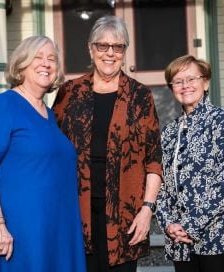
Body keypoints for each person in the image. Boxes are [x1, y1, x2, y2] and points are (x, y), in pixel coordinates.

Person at [52, 16, 162, 272]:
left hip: (125, 214)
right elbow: (52, 147)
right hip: (76, 211)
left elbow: (154, 160)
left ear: (125, 52)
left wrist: (147, 209)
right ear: (91, 49)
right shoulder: (70, 92)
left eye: (118, 47)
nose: (110, 53)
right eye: (103, 46)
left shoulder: (140, 95)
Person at [0, 35, 86, 272]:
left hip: (52, 231)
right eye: (38, 57)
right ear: (21, 65)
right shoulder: (3, 105)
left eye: (52, 59)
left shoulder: (50, 116)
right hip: (17, 231)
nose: (46, 63)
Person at [156, 55, 224, 272]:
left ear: (206, 82)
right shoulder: (169, 132)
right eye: (178, 81)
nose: (185, 86)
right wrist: (168, 224)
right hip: (179, 239)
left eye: (191, 79)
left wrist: (190, 225)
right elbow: (161, 182)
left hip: (218, 234)